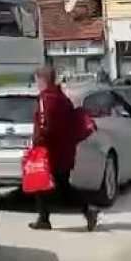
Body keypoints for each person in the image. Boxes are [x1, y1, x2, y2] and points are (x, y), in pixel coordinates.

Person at [29, 65, 99, 232]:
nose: (36, 83)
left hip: (49, 150)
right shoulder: (62, 97)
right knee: (55, 185)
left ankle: (87, 210)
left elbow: (45, 125)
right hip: (65, 149)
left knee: (47, 184)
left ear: (42, 80)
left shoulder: (45, 99)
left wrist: (37, 144)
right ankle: (45, 218)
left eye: (37, 80)